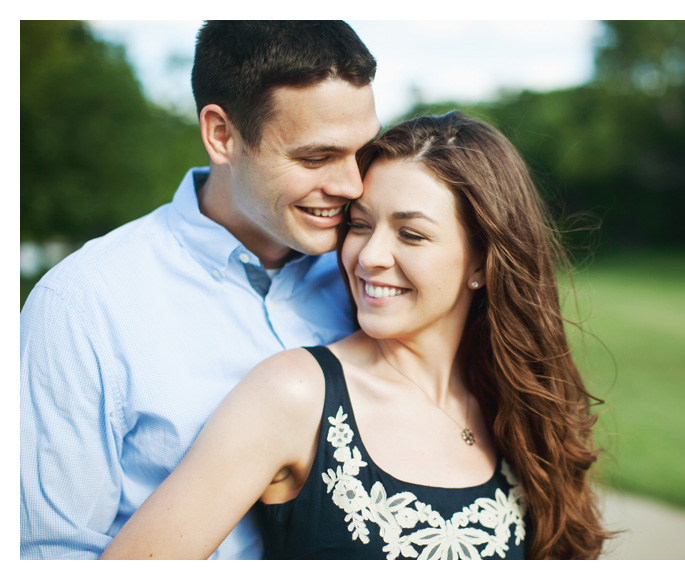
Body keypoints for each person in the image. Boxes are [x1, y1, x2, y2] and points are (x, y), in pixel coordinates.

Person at [99, 112, 609, 560]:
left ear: (481, 260)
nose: (368, 257)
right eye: (360, 225)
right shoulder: (292, 394)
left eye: (410, 234)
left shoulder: (515, 401)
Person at [20, 21, 381, 559]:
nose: (351, 185)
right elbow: (51, 556)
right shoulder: (82, 304)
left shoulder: (372, 282)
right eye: (315, 158)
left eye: (361, 153)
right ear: (222, 135)